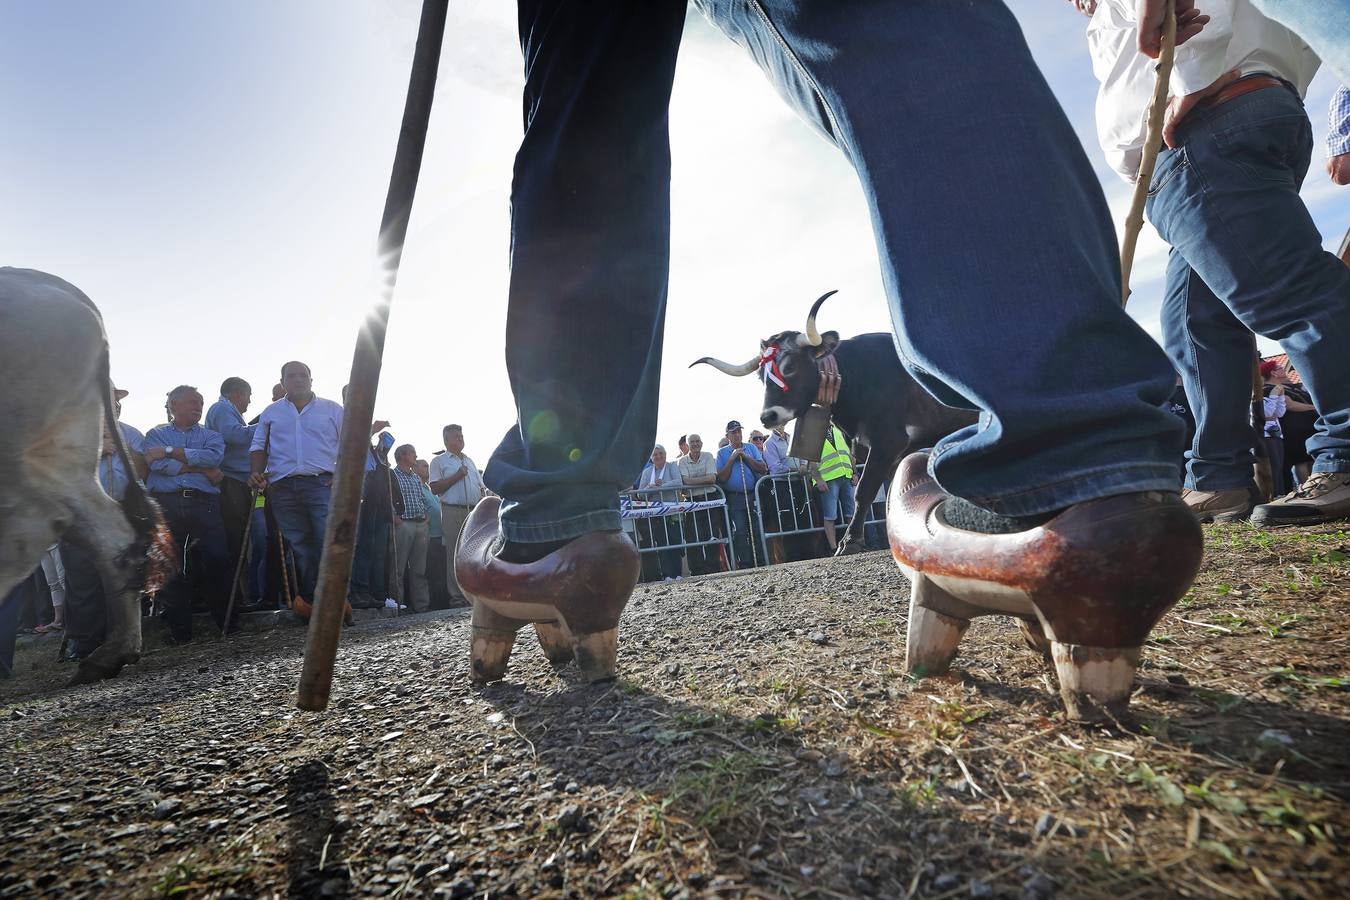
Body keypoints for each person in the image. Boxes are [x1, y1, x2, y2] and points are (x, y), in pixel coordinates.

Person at [455, 1, 1208, 694]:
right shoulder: (816, 395)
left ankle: (554, 529)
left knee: (586, 101)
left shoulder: (850, 371)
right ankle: (1073, 466)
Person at [1085, 0, 1350, 527]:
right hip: (1212, 130)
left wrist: (1196, 75)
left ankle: (1345, 451)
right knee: (1194, 325)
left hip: (1203, 121)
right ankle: (1217, 476)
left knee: (1285, 291)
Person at [58, 383, 146, 660]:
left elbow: (143, 470)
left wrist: (121, 447)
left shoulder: (131, 434)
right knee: (83, 582)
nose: (114, 405)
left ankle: (121, 642)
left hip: (120, 517)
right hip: (80, 517)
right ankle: (84, 645)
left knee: (121, 582)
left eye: (115, 400)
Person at [249, 362, 343, 607]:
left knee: (326, 541)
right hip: (283, 487)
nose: (298, 379)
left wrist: (343, 475)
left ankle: (334, 599)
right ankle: (314, 600)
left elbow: (351, 444)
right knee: (300, 545)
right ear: (283, 382)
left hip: (323, 483)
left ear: (312, 379)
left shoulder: (332, 409)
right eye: (292, 376)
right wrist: (256, 473)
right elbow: (259, 446)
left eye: (304, 375)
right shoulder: (271, 413)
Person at [143, 385, 229, 641]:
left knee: (217, 558)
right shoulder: (154, 434)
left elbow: (213, 458)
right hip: (165, 503)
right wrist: (200, 469)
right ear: (174, 405)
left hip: (204, 504)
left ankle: (226, 623)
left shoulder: (212, 436)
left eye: (200, 402)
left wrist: (171, 452)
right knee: (169, 564)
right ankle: (180, 631)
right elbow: (154, 463)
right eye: (192, 402)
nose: (198, 406)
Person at [205, 377, 257, 606]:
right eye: (248, 396)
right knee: (235, 540)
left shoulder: (228, 411)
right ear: (238, 394)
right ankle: (235, 598)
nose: (249, 402)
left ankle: (239, 596)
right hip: (230, 482)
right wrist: (266, 424)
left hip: (238, 481)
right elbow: (234, 435)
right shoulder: (222, 409)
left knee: (239, 541)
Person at [429, 424, 483, 608]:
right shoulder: (439, 462)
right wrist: (457, 476)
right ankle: (457, 598)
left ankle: (476, 595)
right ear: (446, 441)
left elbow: (480, 486)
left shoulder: (470, 460)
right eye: (456, 437)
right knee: (454, 553)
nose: (460, 439)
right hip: (452, 511)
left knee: (475, 553)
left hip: (473, 511)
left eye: (461, 435)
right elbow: (434, 488)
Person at [716, 421, 767, 569]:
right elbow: (722, 477)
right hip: (735, 497)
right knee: (740, 530)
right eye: (733, 432)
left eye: (739, 431)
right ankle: (746, 564)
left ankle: (761, 561)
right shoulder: (722, 453)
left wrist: (746, 457)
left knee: (756, 529)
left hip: (752, 494)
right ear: (727, 436)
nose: (737, 435)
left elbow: (763, 468)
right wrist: (732, 459)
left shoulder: (750, 448)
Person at [389, 444, 431, 612]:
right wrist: (394, 517)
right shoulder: (392, 475)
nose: (416, 455)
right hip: (403, 524)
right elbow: (389, 497)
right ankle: (398, 606)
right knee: (398, 568)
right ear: (403, 456)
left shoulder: (415, 477)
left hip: (420, 524)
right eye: (413, 453)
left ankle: (422, 606)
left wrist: (426, 516)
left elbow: (421, 498)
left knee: (420, 569)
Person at [677, 433, 723, 575]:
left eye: (698, 441)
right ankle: (696, 569)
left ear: (702, 443)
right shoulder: (682, 461)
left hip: (709, 498)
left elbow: (712, 478)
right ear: (687, 445)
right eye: (692, 442)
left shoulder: (708, 456)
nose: (696, 444)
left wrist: (693, 481)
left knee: (712, 534)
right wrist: (704, 479)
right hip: (692, 501)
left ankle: (714, 566)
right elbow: (684, 482)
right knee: (693, 536)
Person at [637, 444, 684, 580]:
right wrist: (650, 487)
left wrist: (661, 486)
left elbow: (678, 482)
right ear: (651, 458)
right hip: (656, 514)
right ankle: (667, 574)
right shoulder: (647, 472)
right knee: (661, 543)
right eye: (655, 454)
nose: (658, 456)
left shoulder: (672, 466)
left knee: (675, 541)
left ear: (665, 455)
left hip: (672, 512)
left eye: (660, 453)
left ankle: (677, 573)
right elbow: (640, 494)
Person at [812, 423, 857, 553]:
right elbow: (811, 461)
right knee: (830, 516)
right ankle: (833, 548)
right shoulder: (812, 434)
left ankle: (854, 542)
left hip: (845, 476)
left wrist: (855, 473)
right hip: (828, 480)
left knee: (851, 513)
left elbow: (848, 454)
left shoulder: (838, 430)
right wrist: (819, 480)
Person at [416, 458, 450, 609]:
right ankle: (435, 604)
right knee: (432, 571)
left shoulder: (430, 489)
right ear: (415, 469)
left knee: (442, 571)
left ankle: (443, 602)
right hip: (428, 536)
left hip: (440, 536)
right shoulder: (417, 488)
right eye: (424, 466)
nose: (427, 468)